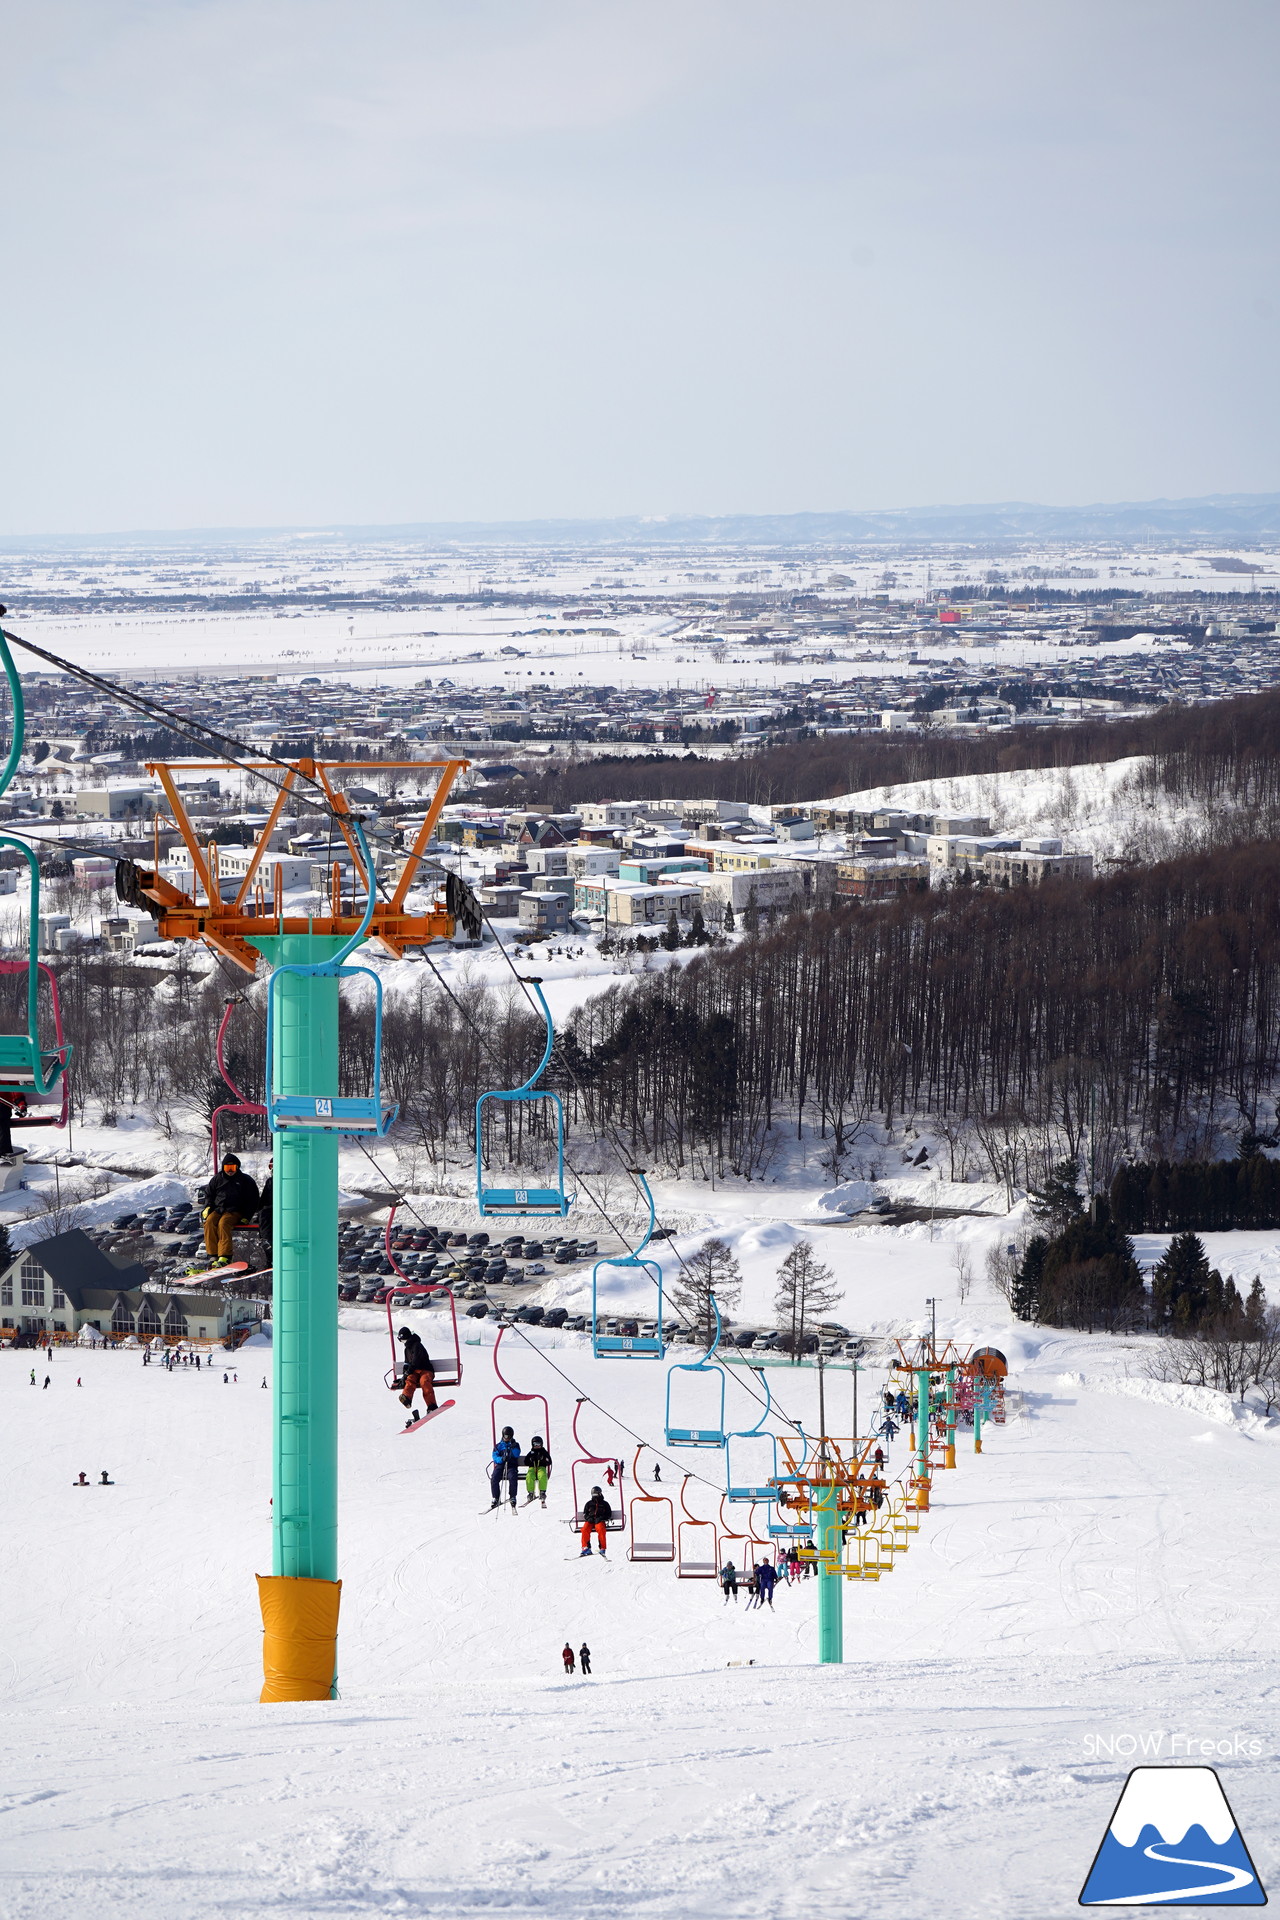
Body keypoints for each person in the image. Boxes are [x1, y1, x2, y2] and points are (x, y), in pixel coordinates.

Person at [199, 1153, 260, 1267]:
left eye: (232, 1168)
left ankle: (225, 1255)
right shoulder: (217, 1179)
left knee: (223, 1224)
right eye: (227, 1168)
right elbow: (209, 1194)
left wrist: (247, 1216)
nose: (230, 1171)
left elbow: (253, 1199)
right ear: (223, 1168)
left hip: (235, 1210)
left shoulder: (245, 1180)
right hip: (219, 1209)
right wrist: (208, 1207)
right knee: (209, 1222)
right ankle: (213, 1254)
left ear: (237, 1167)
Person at [396, 1327, 437, 1414]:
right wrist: (404, 1376)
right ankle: (406, 1398)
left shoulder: (417, 1345)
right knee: (410, 1379)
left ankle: (432, 1405)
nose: (402, 1342)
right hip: (415, 1372)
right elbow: (407, 1363)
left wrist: (407, 1372)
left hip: (426, 1370)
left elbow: (416, 1362)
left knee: (424, 1382)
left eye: (402, 1340)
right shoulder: (407, 1349)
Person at [491, 1427, 521, 1509]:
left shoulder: (515, 1445)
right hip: (501, 1464)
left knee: (513, 1477)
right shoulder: (499, 1446)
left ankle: (512, 1496)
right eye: (505, 1436)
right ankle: (496, 1497)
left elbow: (516, 1454)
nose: (506, 1438)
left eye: (508, 1436)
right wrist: (501, 1459)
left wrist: (512, 1447)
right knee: (494, 1477)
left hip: (511, 1465)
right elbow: (494, 1456)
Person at [579, 1484, 612, 1555]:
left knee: (601, 1529)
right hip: (590, 1521)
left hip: (599, 1521)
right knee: (584, 1529)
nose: (595, 1496)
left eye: (596, 1494)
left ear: (600, 1493)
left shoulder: (604, 1504)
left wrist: (601, 1518)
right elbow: (585, 1513)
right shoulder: (589, 1503)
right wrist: (588, 1518)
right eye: (593, 1494)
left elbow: (609, 1514)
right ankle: (586, 1548)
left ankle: (602, 1548)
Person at [254, 1157, 273, 1269]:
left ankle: (271, 1250)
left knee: (266, 1214)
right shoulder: (270, 1182)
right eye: (271, 1167)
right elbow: (264, 1200)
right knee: (264, 1215)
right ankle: (269, 1254)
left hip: (281, 1210)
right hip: (270, 1211)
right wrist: (258, 1212)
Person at [524, 1434, 552, 1506]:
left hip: (541, 1467)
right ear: (532, 1444)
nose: (537, 1446)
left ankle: (542, 1492)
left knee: (542, 1476)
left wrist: (542, 1459)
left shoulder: (544, 1452)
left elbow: (549, 1461)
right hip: (532, 1468)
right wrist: (530, 1460)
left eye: (538, 1444)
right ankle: (531, 1492)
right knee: (529, 1476)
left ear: (541, 1444)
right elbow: (525, 1461)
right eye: (535, 1444)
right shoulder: (531, 1452)